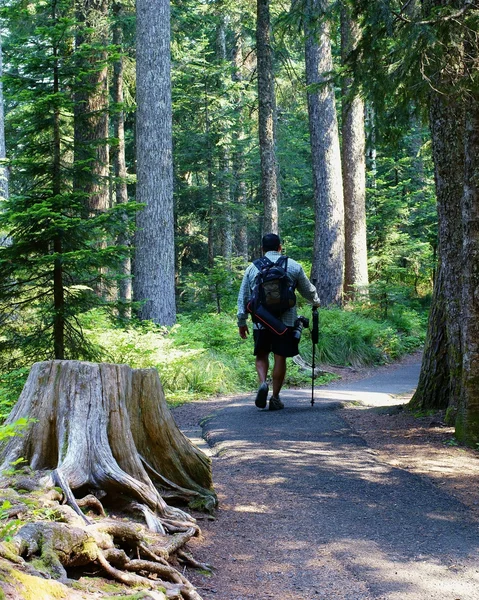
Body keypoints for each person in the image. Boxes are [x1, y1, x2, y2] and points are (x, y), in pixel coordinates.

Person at [237, 233, 320, 411]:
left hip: (261, 320)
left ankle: (262, 383)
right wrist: (316, 301)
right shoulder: (293, 265)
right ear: (280, 247)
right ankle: (275, 397)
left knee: (261, 354)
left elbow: (243, 296)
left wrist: (241, 321)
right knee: (280, 357)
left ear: (262, 249)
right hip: (286, 323)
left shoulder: (253, 268)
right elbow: (307, 290)